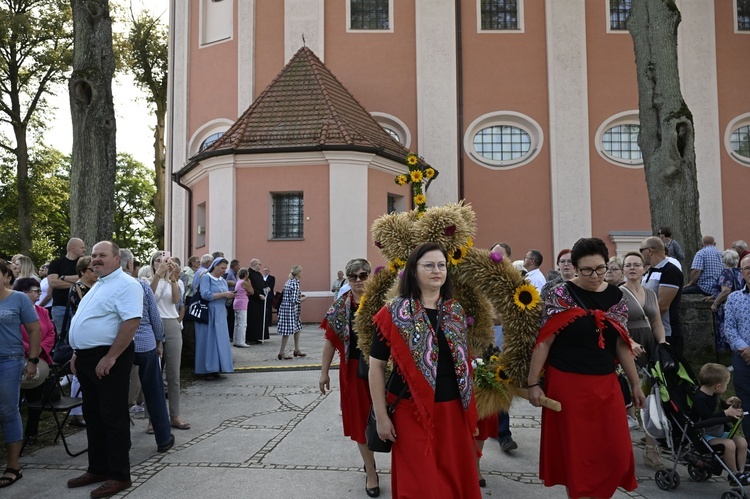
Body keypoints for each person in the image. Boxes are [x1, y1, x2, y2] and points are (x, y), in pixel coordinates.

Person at [528, 237, 644, 499]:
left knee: (616, 451)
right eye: (587, 270)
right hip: (567, 385)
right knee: (577, 454)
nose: (595, 276)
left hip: (605, 384)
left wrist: (636, 385)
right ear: (575, 268)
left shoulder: (617, 297)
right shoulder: (560, 293)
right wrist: (533, 383)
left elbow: (622, 345)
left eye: (601, 268)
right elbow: (545, 339)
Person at [369, 242, 480, 498]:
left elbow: (462, 365)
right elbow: (376, 367)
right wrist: (381, 417)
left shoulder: (455, 311)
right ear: (413, 271)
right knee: (420, 486)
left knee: (454, 481)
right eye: (428, 265)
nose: (436, 270)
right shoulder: (393, 313)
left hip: (453, 410)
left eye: (441, 265)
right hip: (411, 412)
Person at [67, 241, 143, 498]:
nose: (96, 259)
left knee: (113, 417)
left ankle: (120, 475)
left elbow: (131, 322)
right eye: (94, 255)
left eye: (102, 255)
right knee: (93, 415)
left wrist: (110, 357)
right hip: (88, 358)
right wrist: (78, 351)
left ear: (117, 258)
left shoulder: (127, 284)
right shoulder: (99, 284)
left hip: (108, 357)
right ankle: (98, 468)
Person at [319, 258, 378, 496]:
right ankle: (371, 471)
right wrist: (323, 372)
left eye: (363, 275)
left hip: (383, 369)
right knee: (360, 422)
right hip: (353, 370)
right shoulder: (341, 306)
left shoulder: (382, 302)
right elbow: (330, 341)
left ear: (370, 276)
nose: (358, 281)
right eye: (353, 277)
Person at [120, 249, 175, 453]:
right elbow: (154, 317)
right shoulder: (141, 284)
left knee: (119, 394)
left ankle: (122, 442)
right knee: (154, 391)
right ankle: (163, 438)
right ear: (128, 265)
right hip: (145, 343)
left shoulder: (104, 287)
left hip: (118, 346)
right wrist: (159, 340)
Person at [620, 251, 667, 468]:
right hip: (627, 346)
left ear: (643, 269)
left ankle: (650, 448)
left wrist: (662, 343)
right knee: (629, 397)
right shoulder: (617, 293)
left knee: (652, 397)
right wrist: (629, 341)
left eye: (636, 264)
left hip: (649, 346)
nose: (632, 268)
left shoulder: (650, 293)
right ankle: (623, 450)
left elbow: (656, 321)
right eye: (628, 265)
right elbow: (615, 324)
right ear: (623, 270)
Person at [0, 262, 41, 490]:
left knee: (8, 410)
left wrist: (33, 361)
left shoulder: (19, 299)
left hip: (9, 361)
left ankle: (13, 465)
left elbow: (35, 329)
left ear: (7, 277)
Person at [150, 251, 190, 430]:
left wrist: (173, 279)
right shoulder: (145, 280)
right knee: (153, 374)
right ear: (152, 264)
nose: (161, 263)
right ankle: (153, 418)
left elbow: (175, 301)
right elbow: (149, 297)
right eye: (157, 261)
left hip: (172, 324)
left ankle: (174, 415)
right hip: (153, 324)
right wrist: (158, 274)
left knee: (173, 374)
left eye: (164, 261)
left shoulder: (175, 282)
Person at [691, 363, 749, 485]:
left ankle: (742, 471)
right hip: (705, 435)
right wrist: (726, 413)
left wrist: (727, 404)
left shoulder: (712, 394)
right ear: (717, 386)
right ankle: (734, 474)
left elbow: (716, 406)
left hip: (718, 432)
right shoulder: (700, 399)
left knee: (742, 442)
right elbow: (707, 419)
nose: (727, 386)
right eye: (726, 384)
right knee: (730, 445)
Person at [14, 278, 56, 444]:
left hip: (41, 362)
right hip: (18, 359)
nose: (39, 293)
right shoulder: (15, 312)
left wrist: (39, 349)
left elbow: (51, 333)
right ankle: (15, 436)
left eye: (39, 290)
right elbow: (13, 334)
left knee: (36, 399)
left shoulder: (42, 312)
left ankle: (31, 433)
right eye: (35, 290)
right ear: (23, 292)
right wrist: (30, 348)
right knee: (16, 401)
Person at [65, 256, 100, 427]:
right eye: (91, 270)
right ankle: (76, 413)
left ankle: (85, 408)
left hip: (95, 335)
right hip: (82, 335)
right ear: (82, 271)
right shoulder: (78, 288)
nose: (95, 273)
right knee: (79, 372)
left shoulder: (95, 286)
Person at [641, 236, 685, 355]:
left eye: (641, 250)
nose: (641, 255)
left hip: (667, 332)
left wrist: (642, 321)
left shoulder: (670, 271)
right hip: (651, 330)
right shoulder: (649, 271)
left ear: (650, 250)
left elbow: (663, 305)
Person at [194, 257, 235, 380]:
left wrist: (230, 297)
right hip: (210, 312)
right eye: (222, 268)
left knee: (220, 341)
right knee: (209, 340)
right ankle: (207, 369)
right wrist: (224, 294)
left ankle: (218, 367)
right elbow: (205, 294)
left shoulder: (222, 280)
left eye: (225, 268)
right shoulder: (206, 278)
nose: (224, 270)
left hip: (221, 312)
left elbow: (226, 299)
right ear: (215, 266)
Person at [724, 253, 750, 439]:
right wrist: (746, 350)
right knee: (746, 403)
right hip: (743, 358)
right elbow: (730, 329)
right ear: (741, 273)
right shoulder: (734, 298)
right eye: (747, 268)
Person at [704, 249, 744, 352]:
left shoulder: (726, 272)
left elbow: (726, 291)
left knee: (729, 332)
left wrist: (715, 303)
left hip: (727, 306)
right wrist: (713, 296)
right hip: (740, 305)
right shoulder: (740, 271)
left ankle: (732, 360)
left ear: (725, 260)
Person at [47, 237, 86, 335]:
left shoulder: (83, 264)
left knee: (77, 335)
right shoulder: (56, 263)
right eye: (82, 247)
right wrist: (76, 283)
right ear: (73, 249)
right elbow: (53, 283)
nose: (84, 250)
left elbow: (85, 278)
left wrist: (63, 277)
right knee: (62, 337)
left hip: (78, 306)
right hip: (59, 306)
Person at [277, 265, 307, 360]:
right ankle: (281, 352)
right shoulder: (295, 283)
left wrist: (299, 295)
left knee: (297, 328)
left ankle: (297, 349)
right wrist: (303, 299)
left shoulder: (289, 281)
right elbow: (294, 300)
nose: (302, 273)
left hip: (287, 309)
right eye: (301, 271)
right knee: (287, 331)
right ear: (298, 273)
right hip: (290, 309)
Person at [246, 259, 270, 344]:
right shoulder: (248, 273)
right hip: (253, 300)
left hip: (261, 300)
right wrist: (258, 295)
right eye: (260, 264)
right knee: (253, 319)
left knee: (260, 319)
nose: (260, 266)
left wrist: (267, 287)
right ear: (255, 264)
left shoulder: (259, 274)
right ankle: (251, 337)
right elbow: (250, 286)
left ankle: (258, 336)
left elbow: (263, 283)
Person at [232, 268, 251, 347]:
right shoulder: (244, 282)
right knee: (242, 324)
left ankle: (236, 340)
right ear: (246, 275)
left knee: (237, 323)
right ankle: (241, 341)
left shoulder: (238, 282)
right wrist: (249, 282)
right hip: (242, 304)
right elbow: (251, 291)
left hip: (237, 303)